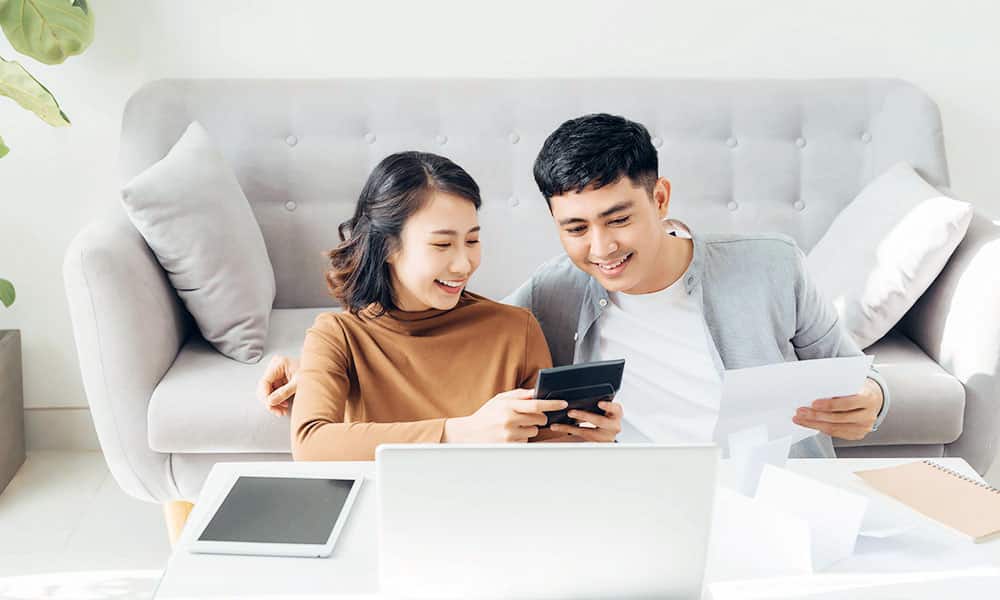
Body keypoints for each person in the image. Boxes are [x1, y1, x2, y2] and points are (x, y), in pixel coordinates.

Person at [262, 115, 887, 458]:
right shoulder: (551, 293)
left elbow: (852, 369)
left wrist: (873, 400)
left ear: (659, 197)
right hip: (635, 497)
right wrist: (307, 374)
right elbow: (446, 336)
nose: (601, 248)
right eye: (576, 228)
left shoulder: (772, 265)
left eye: (618, 219)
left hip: (767, 490)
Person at [278, 150, 623, 461]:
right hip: (393, 511)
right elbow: (311, 444)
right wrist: (457, 433)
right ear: (386, 246)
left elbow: (547, 449)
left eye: (472, 240)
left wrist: (592, 439)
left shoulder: (516, 329)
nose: (464, 264)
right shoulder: (339, 335)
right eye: (442, 244)